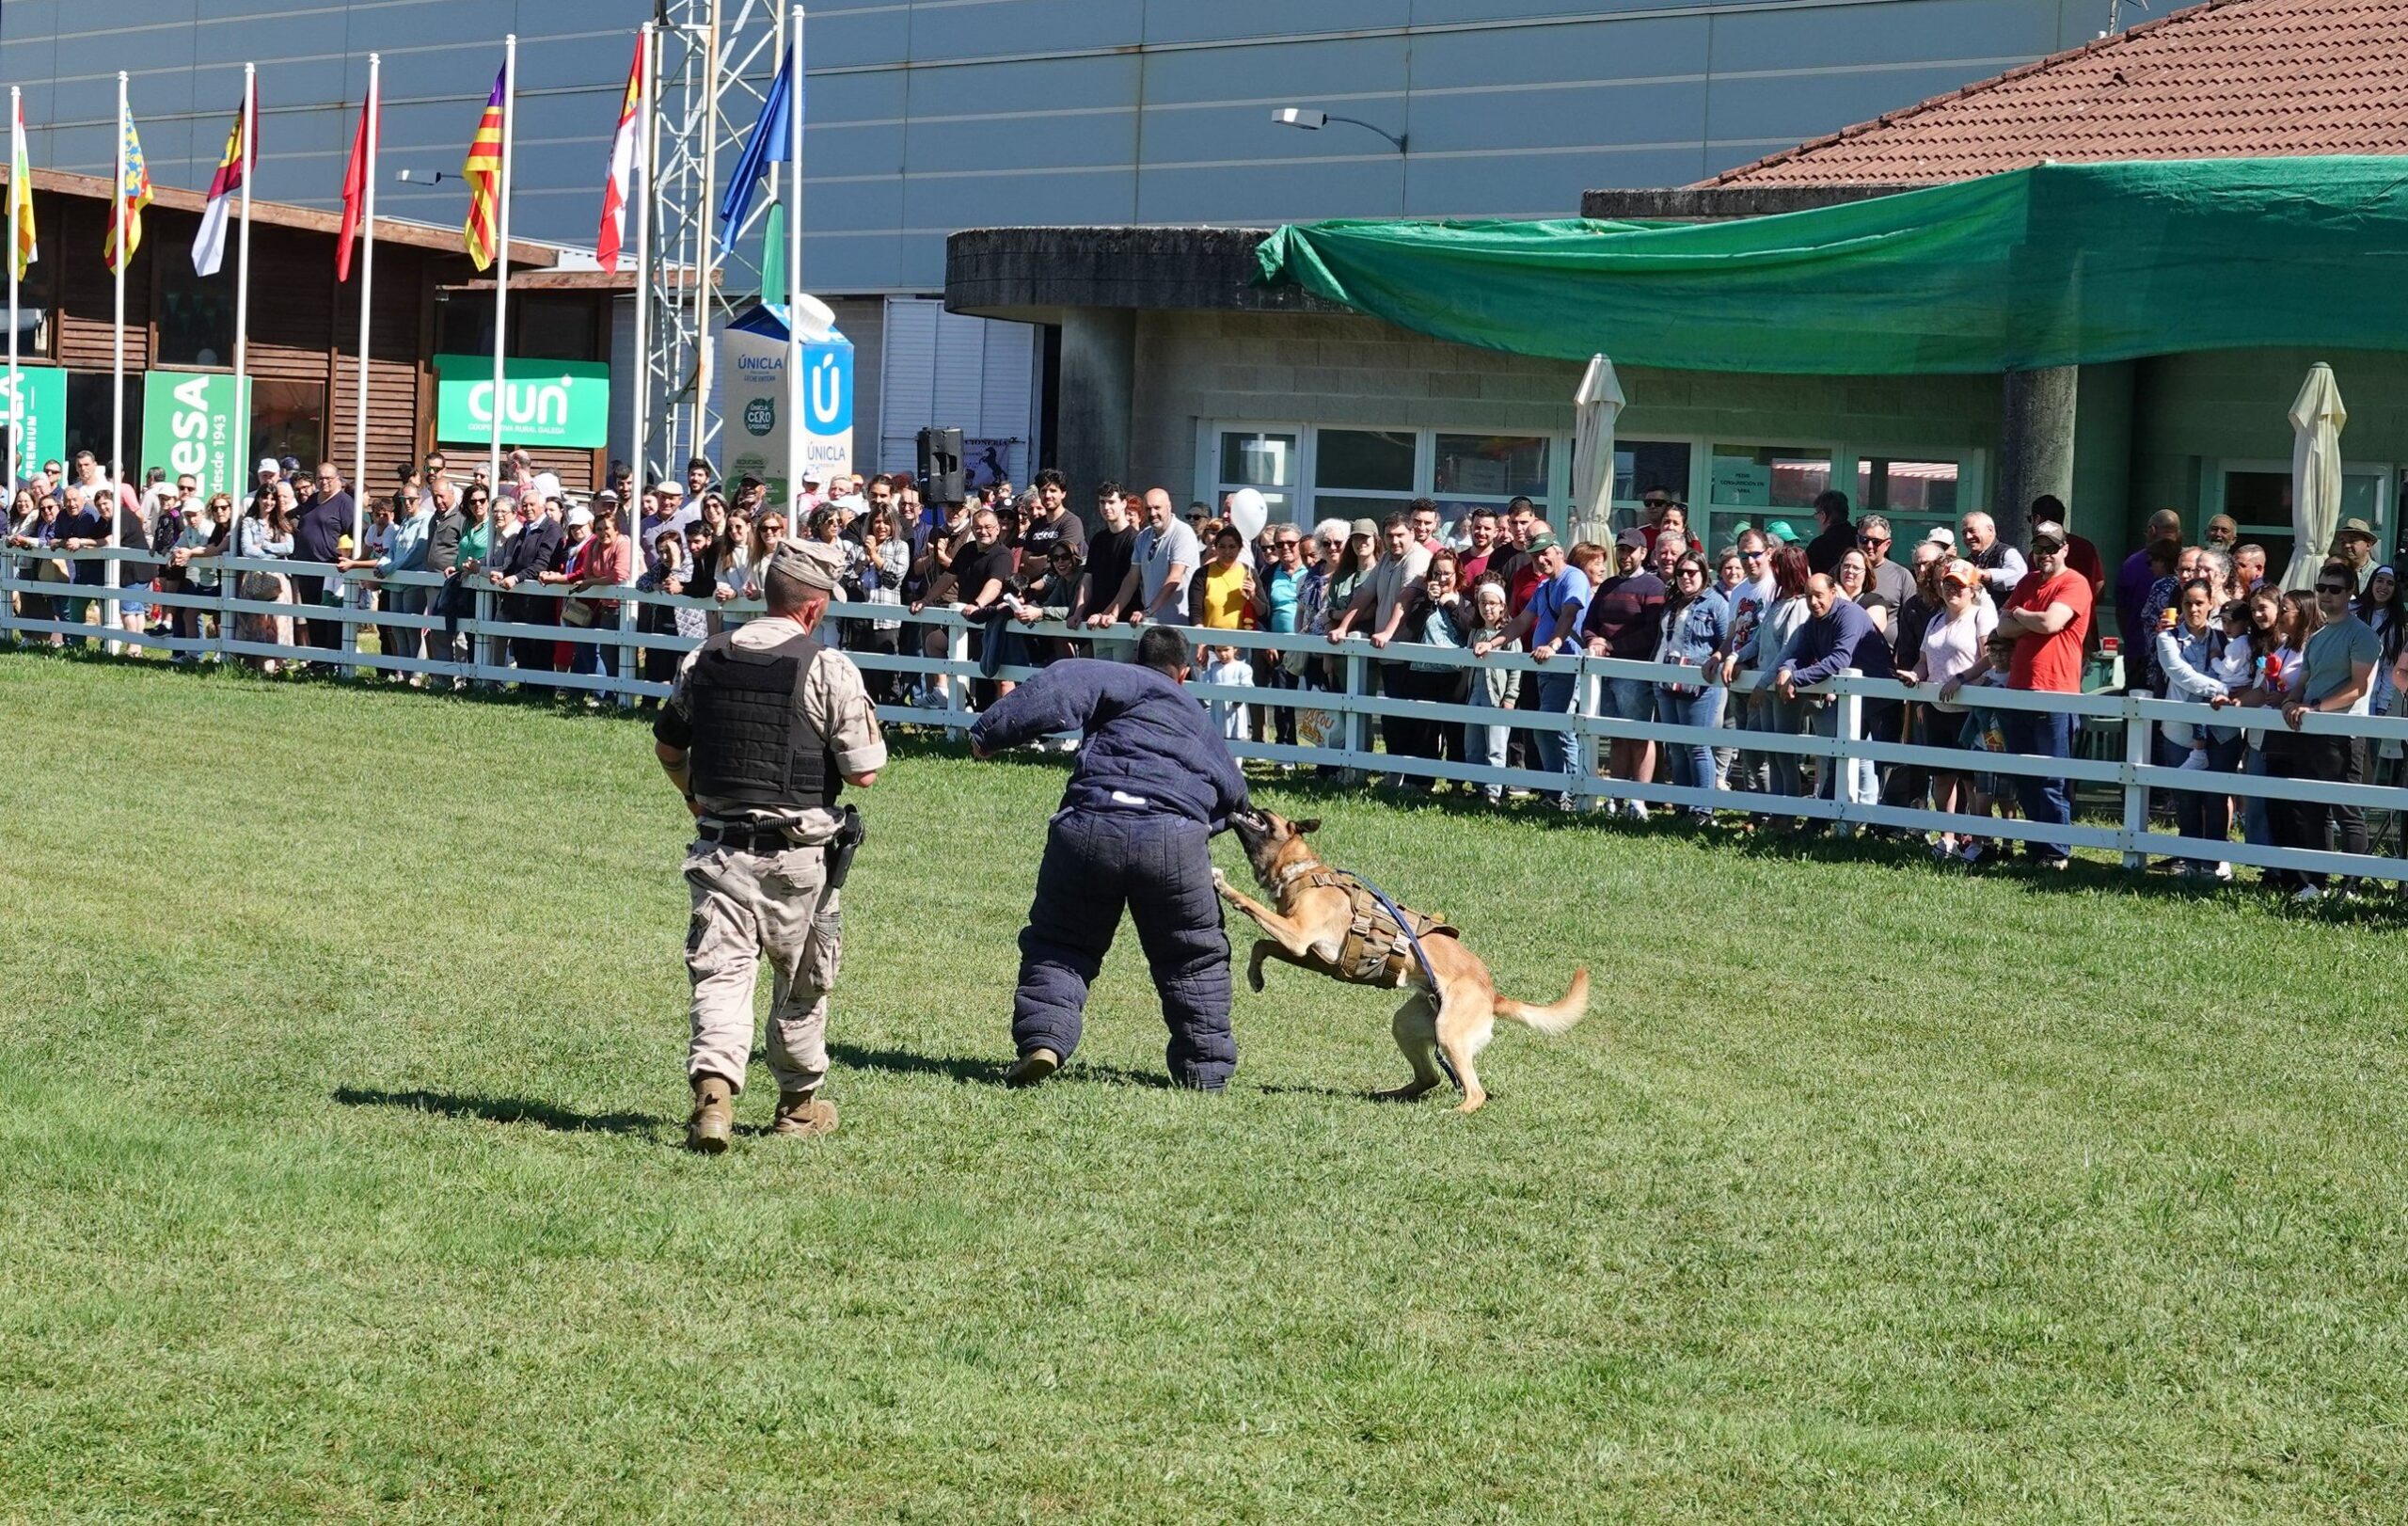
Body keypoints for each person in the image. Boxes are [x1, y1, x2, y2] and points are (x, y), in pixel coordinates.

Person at [652, 537, 885, 1152]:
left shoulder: (705, 657)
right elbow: (863, 771)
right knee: (802, 983)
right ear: (814, 608)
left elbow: (670, 748)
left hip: (721, 851)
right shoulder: (830, 668)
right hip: (800, 862)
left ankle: (714, 1099)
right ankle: (798, 1107)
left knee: (721, 980)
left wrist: (693, 799)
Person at [969, 626, 1250, 1092]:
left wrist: (987, 736)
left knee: (1061, 943)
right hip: (1173, 839)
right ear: (1183, 675)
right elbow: (1235, 800)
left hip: (1089, 828)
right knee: (1192, 958)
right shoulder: (1199, 722)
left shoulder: (1116, 678)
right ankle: (1205, 1072)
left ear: (1136, 661)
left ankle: (1044, 1040)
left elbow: (1057, 686)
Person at [1940, 518, 2092, 869]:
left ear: (2064, 549)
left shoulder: (2075, 583)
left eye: (2051, 548)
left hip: (2057, 694)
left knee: (2051, 779)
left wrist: (2020, 613)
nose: (2044, 555)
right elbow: (2002, 629)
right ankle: (2036, 850)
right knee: (2023, 776)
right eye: (2039, 548)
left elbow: (2050, 623)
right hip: (2018, 692)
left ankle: (2056, 853)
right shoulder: (2026, 581)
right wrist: (2026, 620)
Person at [2264, 561, 2378, 899]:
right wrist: (2291, 700)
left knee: (2347, 812)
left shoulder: (2363, 635)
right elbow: (2304, 681)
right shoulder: (2317, 637)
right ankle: (2317, 883)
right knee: (2312, 810)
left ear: (2350, 592)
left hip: (2344, 733)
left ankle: (2352, 885)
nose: (2327, 595)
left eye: (2335, 589)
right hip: (2310, 731)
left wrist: (2314, 708)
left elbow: (2358, 688)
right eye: (2322, 588)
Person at [1476, 533, 1588, 811]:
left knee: (1560, 728)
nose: (1540, 560)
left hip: (1566, 663)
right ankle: (1556, 792)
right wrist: (1491, 643)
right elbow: (1522, 621)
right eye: (1535, 555)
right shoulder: (1544, 587)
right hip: (1546, 666)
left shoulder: (1574, 578)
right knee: (1544, 730)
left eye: (1545, 553)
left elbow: (1570, 613)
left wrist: (1553, 644)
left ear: (1559, 551)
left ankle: (1573, 793)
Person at [1896, 559, 1998, 860]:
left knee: (1972, 779)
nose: (1952, 590)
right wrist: (1915, 676)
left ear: (1972, 589)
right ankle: (1947, 838)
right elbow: (1924, 662)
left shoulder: (1980, 617)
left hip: (1971, 709)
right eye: (1947, 584)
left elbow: (1990, 657)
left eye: (1959, 585)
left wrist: (1962, 678)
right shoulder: (1935, 621)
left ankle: (1978, 841)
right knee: (1941, 777)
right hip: (1937, 708)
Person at [1774, 572, 1894, 815]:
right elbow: (1801, 653)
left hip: (1881, 697)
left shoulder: (1848, 615)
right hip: (1852, 700)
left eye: (1819, 596)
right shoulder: (1814, 622)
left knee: (1885, 764)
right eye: (1808, 597)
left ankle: (1885, 824)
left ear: (1833, 593)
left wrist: (1795, 678)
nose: (1813, 602)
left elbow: (1839, 659)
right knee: (1839, 758)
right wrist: (1787, 668)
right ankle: (1825, 819)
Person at [1584, 528, 1667, 815]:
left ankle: (1638, 799)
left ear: (1643, 553)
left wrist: (1612, 646)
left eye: (1630, 550)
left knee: (1639, 735)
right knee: (1616, 736)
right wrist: (1593, 640)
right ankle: (1616, 797)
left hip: (1634, 669)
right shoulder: (1607, 586)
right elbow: (1589, 621)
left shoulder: (1654, 587)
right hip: (1603, 669)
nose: (1624, 555)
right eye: (1620, 549)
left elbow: (1652, 632)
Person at [1654, 550, 1730, 821]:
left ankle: (1703, 808)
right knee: (1676, 746)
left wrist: (1715, 660)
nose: (1685, 577)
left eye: (1691, 572)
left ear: (1704, 574)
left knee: (1697, 746)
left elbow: (1727, 640)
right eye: (1680, 572)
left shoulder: (1716, 603)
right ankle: (1683, 804)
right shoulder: (1672, 601)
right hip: (1666, 678)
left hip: (1700, 683)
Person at [1462, 579, 1521, 803]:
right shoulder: (1475, 633)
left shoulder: (1508, 635)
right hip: (1475, 693)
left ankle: (1493, 791)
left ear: (1502, 606)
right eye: (1483, 603)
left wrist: (1510, 697)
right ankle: (1478, 786)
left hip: (1496, 696)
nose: (1487, 608)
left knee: (1495, 746)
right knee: (1473, 745)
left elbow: (1516, 668)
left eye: (1493, 603)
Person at [1959, 511, 2026, 605]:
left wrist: (1984, 574)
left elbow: (2019, 577)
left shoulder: (2006, 553)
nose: (1968, 536)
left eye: (1972, 531)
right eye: (1964, 533)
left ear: (1990, 530)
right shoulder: (1966, 562)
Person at [1804, 489, 1854, 577]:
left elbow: (1810, 579)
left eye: (1817, 514)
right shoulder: (1861, 539)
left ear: (1823, 516)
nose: (1816, 518)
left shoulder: (1817, 545)